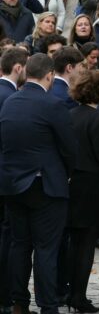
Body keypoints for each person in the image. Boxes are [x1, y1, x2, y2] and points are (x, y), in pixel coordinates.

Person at [0, 53, 77, 314]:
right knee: (46, 248)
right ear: (49, 75)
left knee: (19, 245)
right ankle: (48, 306)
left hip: (13, 184)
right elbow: (69, 148)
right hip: (45, 186)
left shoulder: (10, 102)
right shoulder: (52, 104)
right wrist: (65, 174)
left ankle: (18, 302)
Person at [66, 69, 99, 313]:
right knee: (86, 245)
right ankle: (79, 297)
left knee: (73, 243)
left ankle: (69, 292)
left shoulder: (70, 114)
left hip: (71, 185)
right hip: (92, 189)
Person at [0, 47, 27, 314]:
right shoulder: (10, 98)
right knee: (7, 238)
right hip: (8, 177)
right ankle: (5, 296)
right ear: (18, 68)